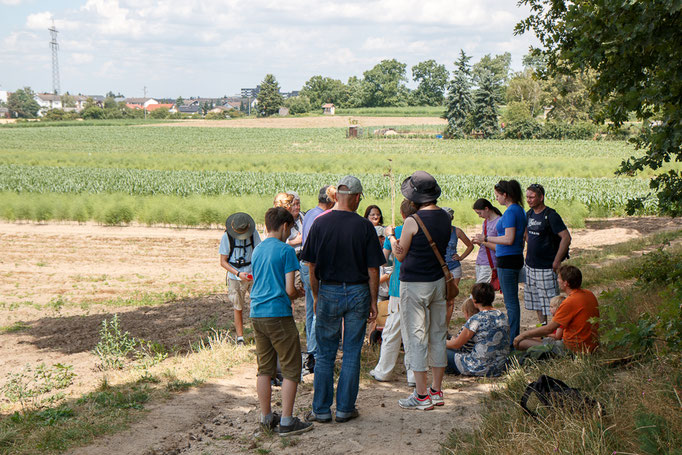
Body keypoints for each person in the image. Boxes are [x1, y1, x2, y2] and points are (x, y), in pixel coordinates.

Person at [302, 175, 385, 423]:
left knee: (326, 352)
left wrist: (316, 295)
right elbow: (373, 269)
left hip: (328, 290)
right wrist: (372, 301)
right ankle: (345, 408)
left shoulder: (319, 223)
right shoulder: (364, 226)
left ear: (336, 195)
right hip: (358, 291)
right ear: (357, 198)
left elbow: (311, 265)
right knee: (351, 351)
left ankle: (321, 409)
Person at [390, 171, 454, 411]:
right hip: (438, 282)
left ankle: (420, 394)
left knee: (416, 337)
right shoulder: (446, 217)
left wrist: (394, 241)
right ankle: (437, 390)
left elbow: (401, 254)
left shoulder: (412, 221)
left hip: (414, 284)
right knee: (438, 334)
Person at [250, 207, 312, 436]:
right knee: (291, 368)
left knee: (264, 368)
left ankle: (266, 418)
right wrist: (299, 293)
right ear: (285, 226)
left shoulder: (257, 251)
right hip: (278, 314)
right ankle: (287, 420)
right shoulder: (286, 251)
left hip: (257, 313)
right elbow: (289, 289)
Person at [369, 199, 416, 386]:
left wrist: (388, 237)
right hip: (418, 285)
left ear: (403, 215)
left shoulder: (397, 232)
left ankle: (384, 370)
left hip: (398, 285)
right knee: (415, 331)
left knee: (392, 330)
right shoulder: (422, 231)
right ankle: (414, 375)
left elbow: (383, 259)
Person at [473, 180, 525, 345]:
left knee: (510, 302)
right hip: (514, 257)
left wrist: (485, 238)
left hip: (508, 259)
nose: (496, 199)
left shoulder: (510, 212)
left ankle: (512, 339)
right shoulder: (519, 210)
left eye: (497, 196)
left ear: (505, 195)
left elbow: (508, 238)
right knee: (511, 300)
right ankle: (513, 335)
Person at [514, 265, 599, 353]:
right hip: (591, 344)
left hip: (573, 348)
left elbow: (549, 329)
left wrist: (523, 335)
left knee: (522, 342)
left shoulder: (569, 302)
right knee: (535, 338)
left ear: (566, 283)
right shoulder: (589, 294)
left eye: (559, 278)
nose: (557, 280)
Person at [524, 183, 572, 324]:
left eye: (532, 197)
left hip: (546, 266)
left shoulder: (550, 215)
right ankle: (543, 329)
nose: (529, 200)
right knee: (536, 302)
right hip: (530, 265)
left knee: (551, 302)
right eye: (527, 197)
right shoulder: (529, 214)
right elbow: (526, 235)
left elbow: (566, 237)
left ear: (541, 197)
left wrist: (556, 261)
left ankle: (555, 330)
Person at [299, 185, 335, 373]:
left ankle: (309, 350)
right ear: (331, 200)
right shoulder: (322, 218)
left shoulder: (309, 214)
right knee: (317, 308)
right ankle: (313, 354)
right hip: (314, 267)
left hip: (304, 264)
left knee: (309, 309)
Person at [445, 283, 510, 377]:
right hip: (500, 366)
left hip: (479, 367)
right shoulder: (502, 315)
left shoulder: (476, 319)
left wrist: (440, 343)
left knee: (443, 351)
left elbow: (456, 344)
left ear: (474, 300)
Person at [219, 212, 261, 345]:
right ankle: (240, 338)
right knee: (238, 306)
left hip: (252, 274)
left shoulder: (254, 234)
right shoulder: (227, 237)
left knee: (258, 304)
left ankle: (259, 335)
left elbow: (259, 253)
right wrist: (238, 274)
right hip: (235, 277)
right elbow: (223, 261)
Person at [441, 206, 474, 327]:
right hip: (440, 268)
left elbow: (470, 245)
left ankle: (445, 328)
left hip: (454, 267)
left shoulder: (457, 231)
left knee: (450, 299)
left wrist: (461, 257)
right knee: (440, 298)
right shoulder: (435, 230)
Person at [471, 198, 502, 284]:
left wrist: (482, 241)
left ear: (486, 209)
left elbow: (500, 247)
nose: (479, 216)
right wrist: (478, 241)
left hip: (490, 264)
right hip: (480, 261)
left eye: (479, 213)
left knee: (479, 293)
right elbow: (485, 243)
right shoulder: (485, 222)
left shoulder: (499, 222)